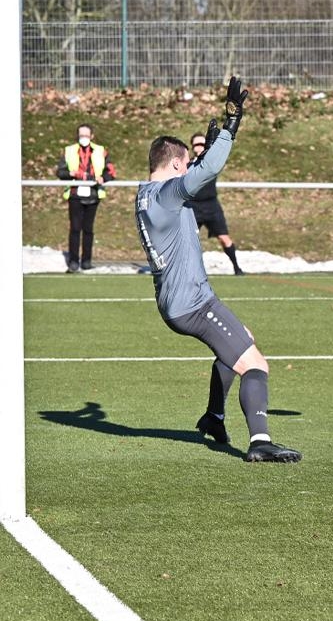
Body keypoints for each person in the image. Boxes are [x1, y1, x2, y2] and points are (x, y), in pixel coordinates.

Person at [135, 77, 301, 463]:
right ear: (175, 164)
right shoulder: (168, 194)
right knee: (256, 364)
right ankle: (260, 441)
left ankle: (214, 416)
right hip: (193, 303)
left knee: (243, 337)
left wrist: (206, 153)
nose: (187, 170)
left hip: (178, 301)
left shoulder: (145, 194)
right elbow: (206, 171)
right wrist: (232, 123)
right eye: (185, 165)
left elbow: (197, 173)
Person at [55, 124, 116, 273]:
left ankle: (87, 261)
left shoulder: (101, 151)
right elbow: (60, 172)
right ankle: (73, 262)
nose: (83, 138)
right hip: (75, 194)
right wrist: (71, 173)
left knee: (88, 229)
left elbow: (111, 171)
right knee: (75, 228)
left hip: (93, 194)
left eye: (86, 135)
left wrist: (103, 178)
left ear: (92, 136)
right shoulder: (69, 150)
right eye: (81, 135)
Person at [187, 132, 244, 275]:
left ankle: (237, 268)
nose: (199, 146)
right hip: (193, 207)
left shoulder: (211, 163)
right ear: (192, 146)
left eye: (202, 143)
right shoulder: (188, 164)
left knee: (224, 238)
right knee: (187, 240)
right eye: (196, 144)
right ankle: (187, 270)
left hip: (211, 206)